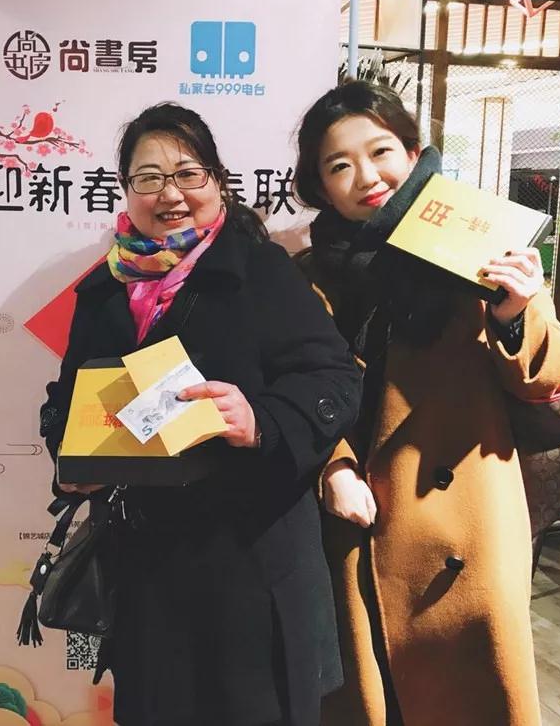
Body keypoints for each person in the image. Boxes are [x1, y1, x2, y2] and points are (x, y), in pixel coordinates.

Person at [39, 102, 362, 726]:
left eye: (189, 174)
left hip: (251, 562)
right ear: (125, 189)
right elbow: (66, 399)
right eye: (149, 178)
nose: (170, 194)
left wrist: (260, 419)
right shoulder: (103, 289)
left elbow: (335, 379)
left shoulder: (261, 270)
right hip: (145, 571)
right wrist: (71, 463)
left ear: (217, 182)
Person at [292, 80, 560, 726]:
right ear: (320, 186)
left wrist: (514, 313)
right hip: (359, 517)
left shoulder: (479, 242)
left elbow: (549, 377)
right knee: (374, 699)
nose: (367, 176)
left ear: (413, 151)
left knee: (468, 698)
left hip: (466, 529)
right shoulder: (311, 274)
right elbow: (300, 388)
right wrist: (333, 467)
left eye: (380, 151)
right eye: (339, 165)